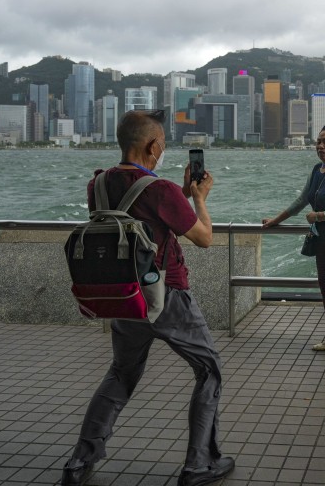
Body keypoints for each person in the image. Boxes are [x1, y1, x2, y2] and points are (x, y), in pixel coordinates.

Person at [61, 110, 234, 486]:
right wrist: (199, 198)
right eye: (162, 146)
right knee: (208, 370)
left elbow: (133, 217)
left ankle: (79, 462)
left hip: (123, 296)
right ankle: (199, 465)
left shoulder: (99, 184)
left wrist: (181, 195)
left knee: (121, 373)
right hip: (167, 295)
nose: (163, 152)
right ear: (152, 145)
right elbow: (204, 238)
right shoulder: (161, 190)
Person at [262, 120, 325, 359]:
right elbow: (301, 201)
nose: (320, 146)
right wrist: (276, 220)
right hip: (322, 241)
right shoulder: (316, 171)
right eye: (318, 141)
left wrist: (318, 215)